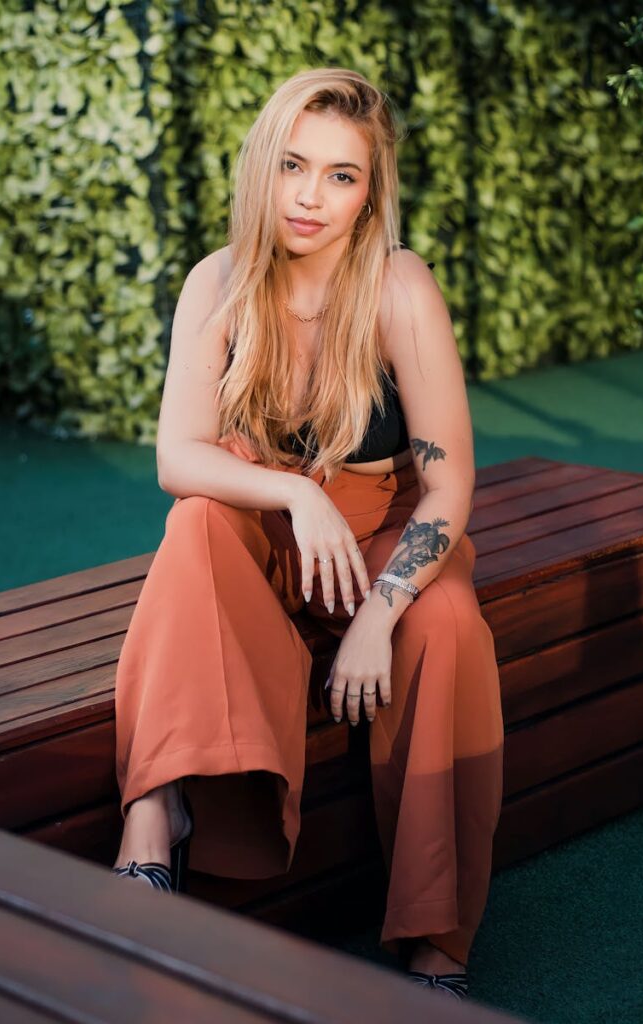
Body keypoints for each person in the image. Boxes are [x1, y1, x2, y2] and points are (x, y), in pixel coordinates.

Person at [113, 67, 504, 1001]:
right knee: (197, 522)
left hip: (377, 535)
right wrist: (294, 497)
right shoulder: (219, 279)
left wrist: (378, 613)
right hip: (267, 535)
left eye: (341, 175)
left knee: (445, 622)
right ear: (264, 167)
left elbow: (448, 488)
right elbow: (179, 455)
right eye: (294, 165)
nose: (310, 196)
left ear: (372, 191)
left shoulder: (400, 287)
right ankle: (151, 823)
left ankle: (437, 947)